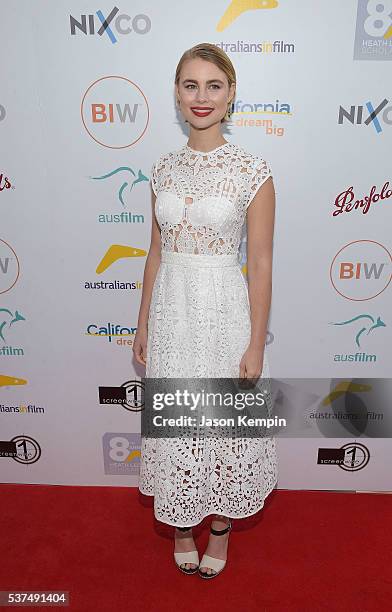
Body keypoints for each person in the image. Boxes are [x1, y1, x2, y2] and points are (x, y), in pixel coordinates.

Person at [133, 42, 277, 579]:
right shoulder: (163, 168)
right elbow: (155, 252)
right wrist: (142, 320)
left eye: (213, 86)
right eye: (190, 85)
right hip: (172, 310)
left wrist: (256, 341)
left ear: (231, 94)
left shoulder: (252, 170)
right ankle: (181, 524)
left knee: (221, 425)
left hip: (223, 309)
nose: (201, 97)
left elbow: (259, 262)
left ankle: (219, 529)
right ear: (176, 92)